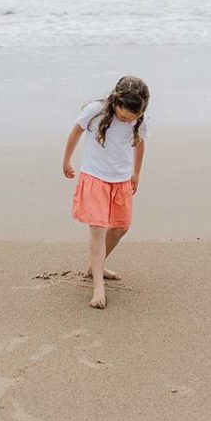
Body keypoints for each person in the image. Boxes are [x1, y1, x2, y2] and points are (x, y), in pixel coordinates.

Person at [63, 75, 150, 309]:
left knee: (121, 228)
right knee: (98, 229)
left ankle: (95, 266)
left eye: (133, 117)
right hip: (95, 178)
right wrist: (66, 160)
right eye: (124, 116)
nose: (128, 120)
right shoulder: (96, 111)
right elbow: (75, 132)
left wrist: (136, 173)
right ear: (115, 102)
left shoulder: (138, 120)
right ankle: (98, 287)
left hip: (120, 180)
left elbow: (140, 144)